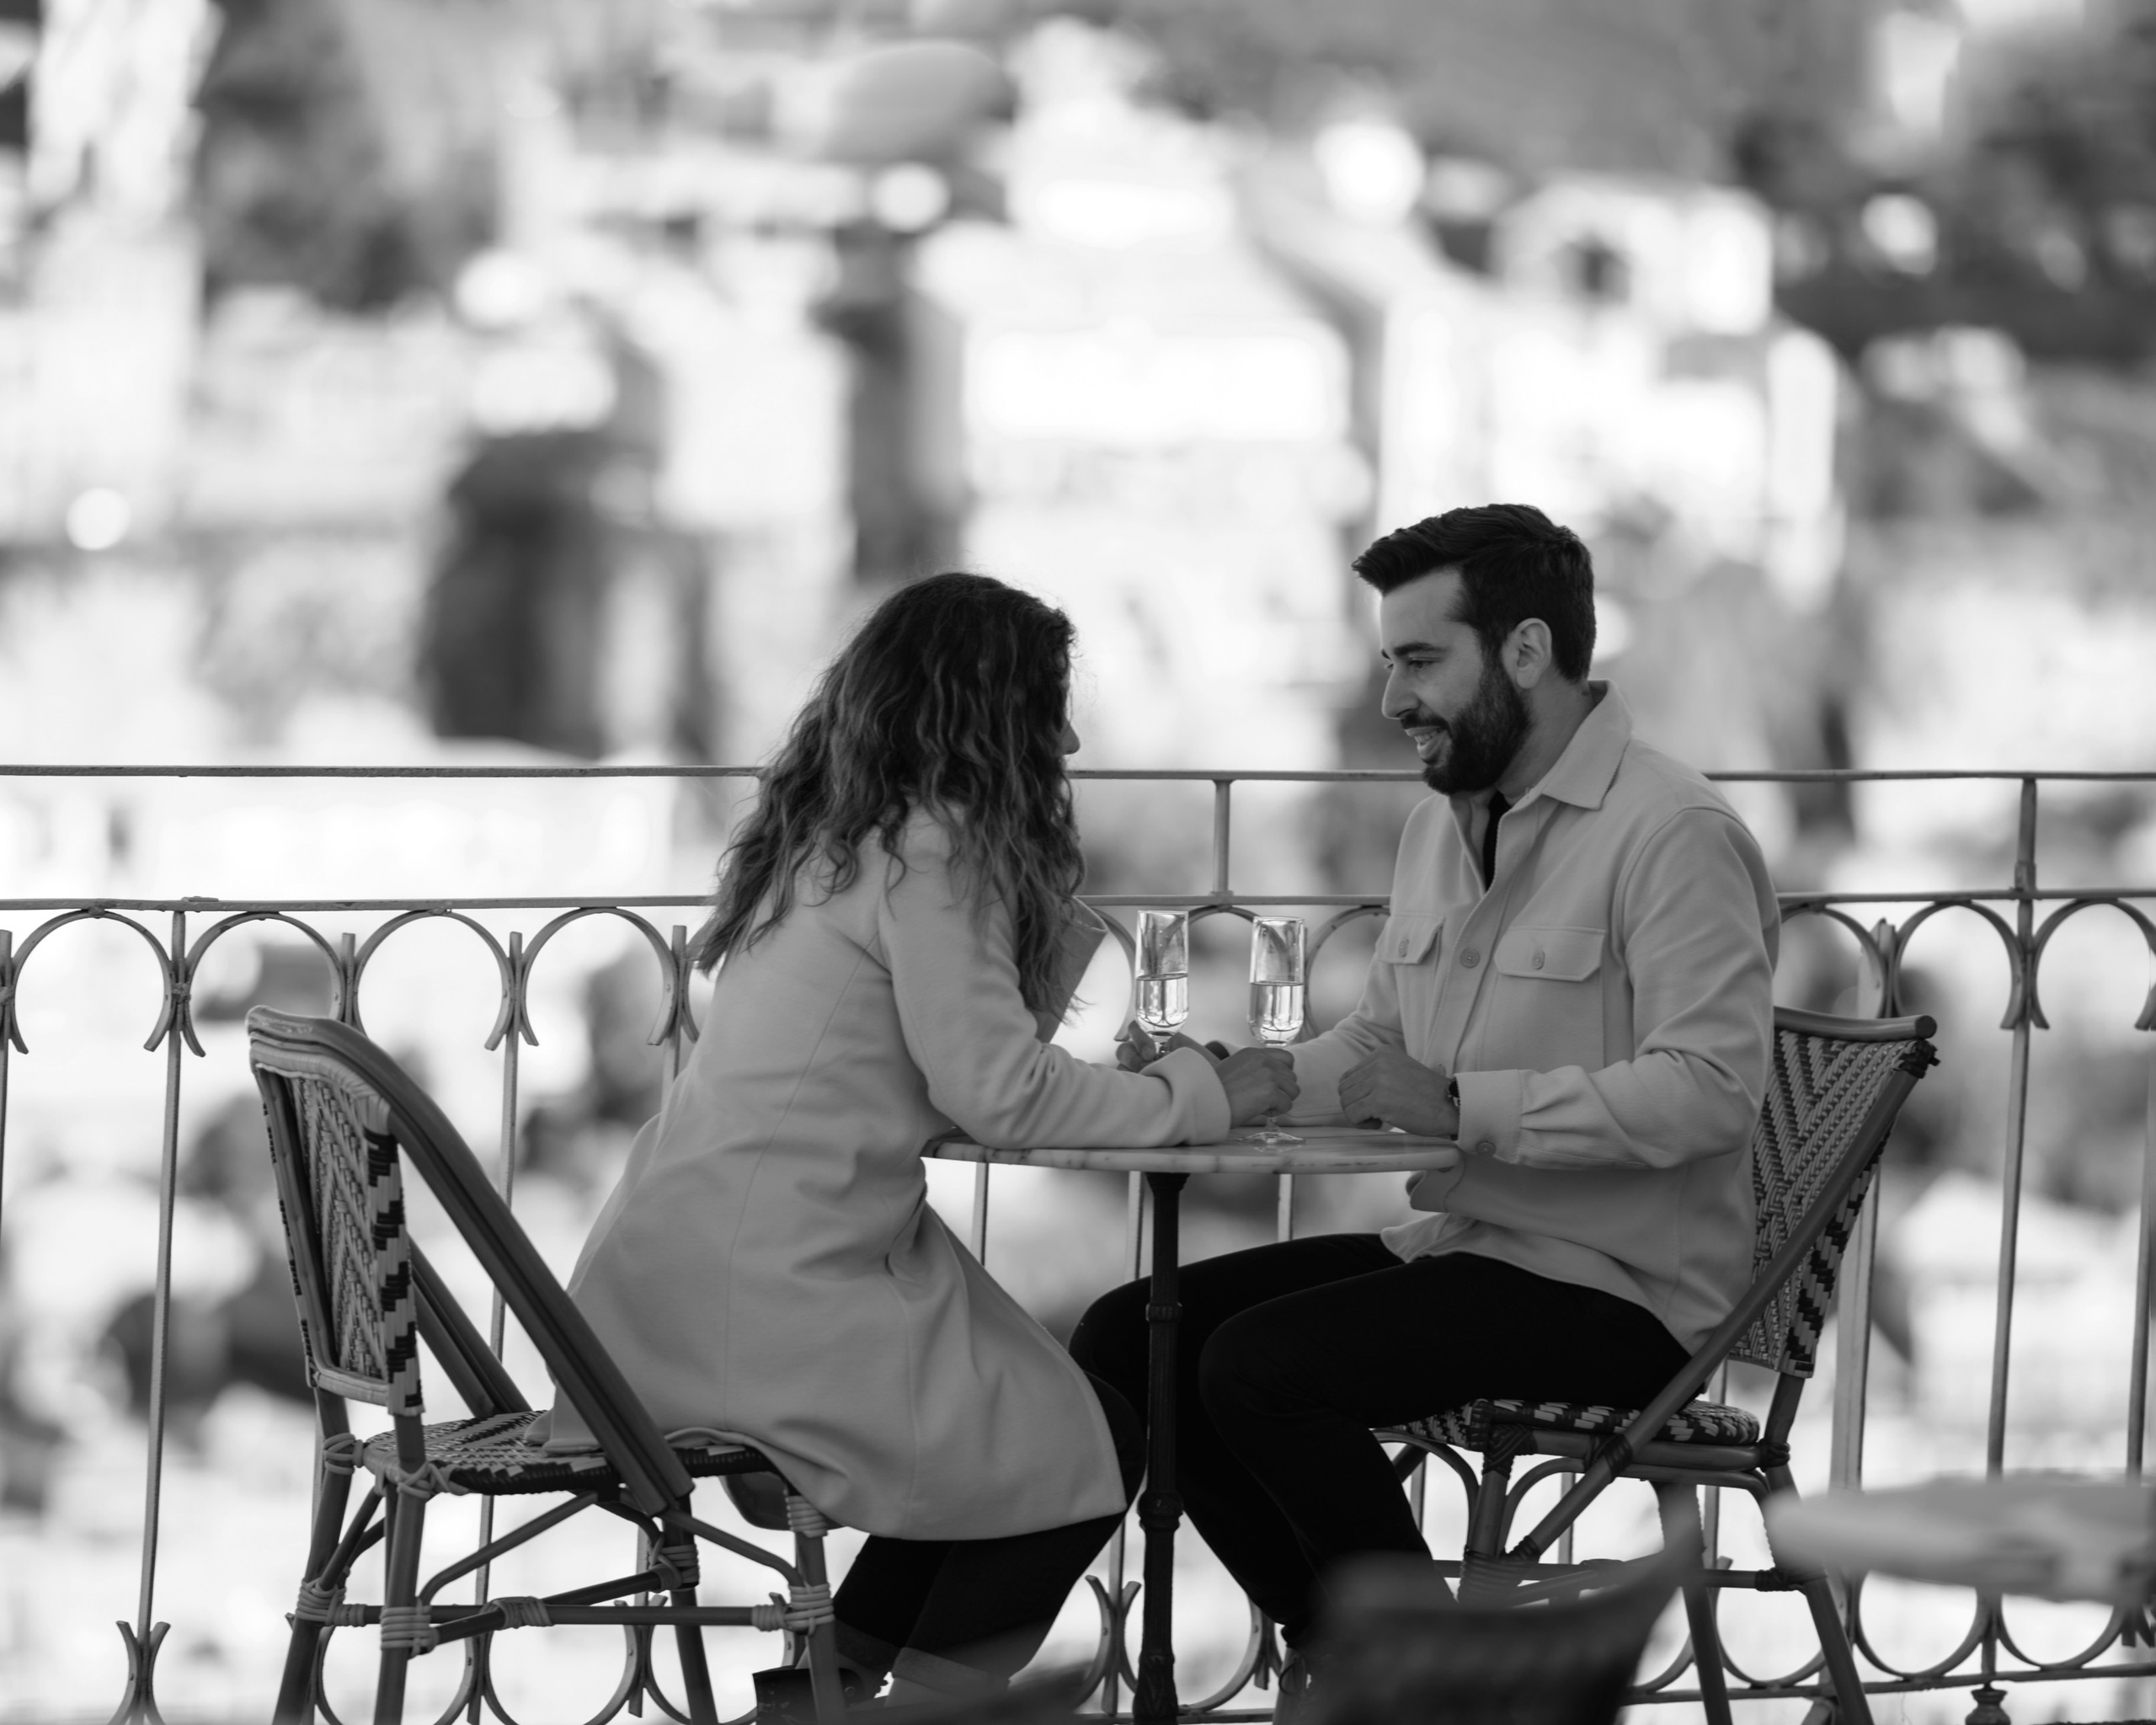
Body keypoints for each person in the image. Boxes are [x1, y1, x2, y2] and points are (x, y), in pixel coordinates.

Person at [537, 573, 1295, 1703]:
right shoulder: (934, 852)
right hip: (780, 1287)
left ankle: (824, 1699)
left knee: (1036, 1445)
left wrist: (1093, 1059)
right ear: (992, 716)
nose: (1074, 738)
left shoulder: (838, 839)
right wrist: (1205, 1093)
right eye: (1052, 708)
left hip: (679, 1276)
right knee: (1087, 1448)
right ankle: (895, 1707)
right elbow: (999, 1097)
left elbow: (943, 1076)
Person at [1070, 504, 1780, 1687]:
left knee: (1258, 1368)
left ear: (1526, 652)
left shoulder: (1675, 834)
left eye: (1418, 660)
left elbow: (1708, 1093)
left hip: (1631, 1294)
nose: (1394, 698)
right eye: (1388, 661)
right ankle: (1357, 1667)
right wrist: (1242, 1079)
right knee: (1130, 1336)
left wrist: (1463, 1107)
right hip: (1471, 1246)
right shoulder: (1439, 831)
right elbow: (1380, 1045)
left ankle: (1424, 1689)